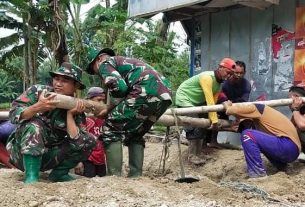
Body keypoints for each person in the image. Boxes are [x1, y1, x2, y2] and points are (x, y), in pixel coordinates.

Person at [86, 48, 172, 177]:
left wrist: (108, 109)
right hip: (164, 96)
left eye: (94, 69)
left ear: (98, 59)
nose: (97, 73)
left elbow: (120, 88)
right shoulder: (124, 62)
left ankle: (114, 178)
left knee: (110, 128)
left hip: (145, 90)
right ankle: (135, 176)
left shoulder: (105, 63)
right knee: (136, 133)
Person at [6, 62, 96, 184]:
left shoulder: (76, 106)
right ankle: (31, 177)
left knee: (88, 140)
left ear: (76, 86)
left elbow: (78, 143)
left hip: (48, 155)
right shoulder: (38, 91)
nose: (58, 84)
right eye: (56, 79)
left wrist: (70, 115)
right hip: (21, 153)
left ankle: (58, 175)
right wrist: (38, 107)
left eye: (65, 80)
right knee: (35, 125)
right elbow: (13, 115)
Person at [175, 58, 236, 165]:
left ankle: (199, 153)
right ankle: (192, 155)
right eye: (228, 72)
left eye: (231, 74)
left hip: (197, 103)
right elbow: (209, 101)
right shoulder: (207, 77)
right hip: (185, 99)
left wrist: (213, 118)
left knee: (204, 123)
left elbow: (214, 101)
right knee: (195, 124)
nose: (229, 76)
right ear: (221, 68)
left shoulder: (218, 84)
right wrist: (215, 121)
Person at [223, 100, 301, 178]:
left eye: (238, 120)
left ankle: (257, 173)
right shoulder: (262, 121)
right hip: (293, 151)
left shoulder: (255, 107)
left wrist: (228, 106)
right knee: (254, 139)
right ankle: (283, 167)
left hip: (287, 145)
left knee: (247, 134)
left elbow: (231, 110)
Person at [209, 61, 251, 147]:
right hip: (222, 106)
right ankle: (213, 141)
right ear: (232, 72)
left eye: (241, 73)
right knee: (215, 116)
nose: (238, 75)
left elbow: (243, 101)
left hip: (237, 107)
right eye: (236, 72)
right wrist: (226, 104)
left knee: (248, 120)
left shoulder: (246, 85)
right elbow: (219, 98)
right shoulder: (224, 83)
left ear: (244, 73)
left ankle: (247, 144)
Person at [75, 87, 107, 177]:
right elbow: (78, 140)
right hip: (88, 158)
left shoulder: (104, 118)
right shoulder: (83, 118)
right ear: (89, 100)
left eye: (103, 101)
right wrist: (79, 161)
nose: (101, 103)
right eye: (99, 100)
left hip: (101, 158)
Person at [288, 86, 305, 153]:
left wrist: (295, 108)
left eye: (289, 99)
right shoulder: (297, 114)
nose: (288, 104)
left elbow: (302, 125)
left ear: (296, 97)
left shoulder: (296, 110)